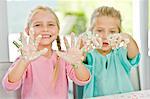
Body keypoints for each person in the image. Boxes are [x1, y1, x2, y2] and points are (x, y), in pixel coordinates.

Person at [2, 6, 90, 99]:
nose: (45, 29)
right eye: (38, 25)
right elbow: (9, 85)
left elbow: (83, 80)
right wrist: (23, 62)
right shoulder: (25, 60)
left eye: (51, 24)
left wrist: (77, 63)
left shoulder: (64, 57)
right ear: (27, 30)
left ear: (58, 30)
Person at [76, 6, 140, 98]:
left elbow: (134, 55)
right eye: (99, 30)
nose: (105, 36)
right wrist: (84, 39)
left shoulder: (120, 54)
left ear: (119, 33)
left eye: (112, 31)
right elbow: (79, 56)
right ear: (91, 32)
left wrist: (128, 38)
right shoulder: (90, 55)